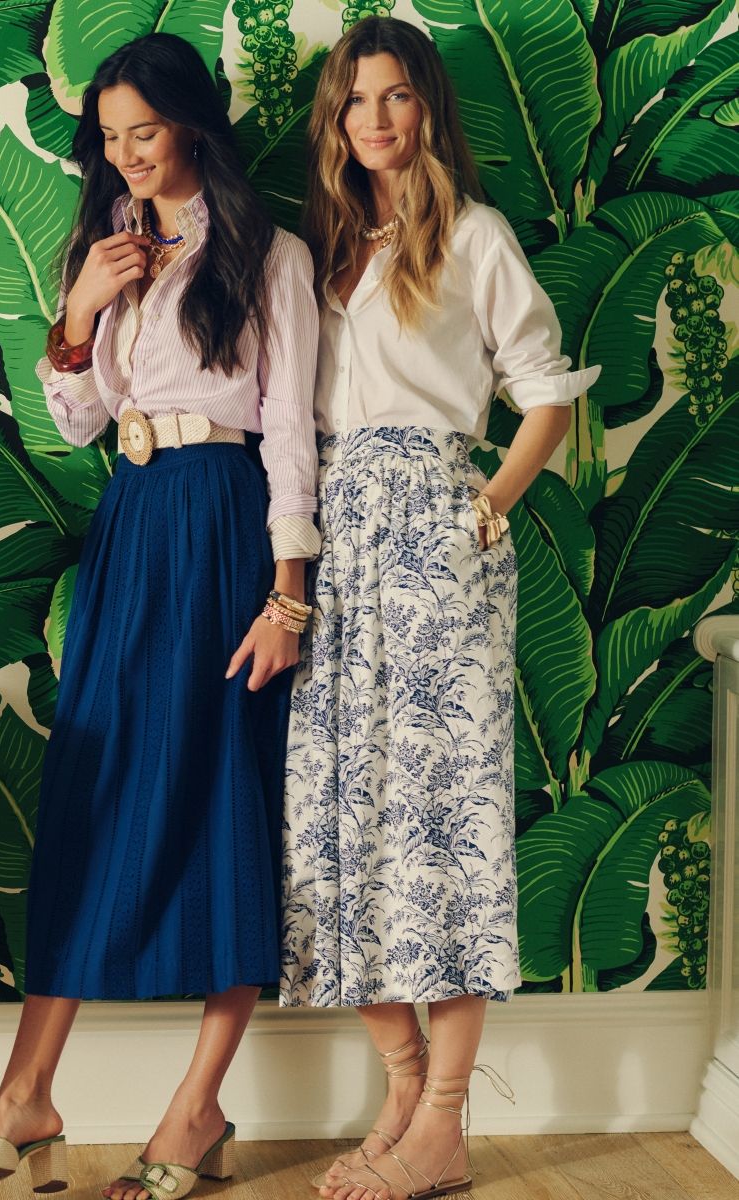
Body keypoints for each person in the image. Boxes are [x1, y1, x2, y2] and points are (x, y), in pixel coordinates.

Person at [0, 32, 320, 1200]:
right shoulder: (109, 248)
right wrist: (79, 307)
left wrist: (287, 597)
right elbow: (74, 422)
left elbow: (295, 435)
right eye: (108, 141)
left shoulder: (272, 253)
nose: (125, 157)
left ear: (192, 125)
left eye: (142, 133)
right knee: (90, 795)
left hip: (224, 523)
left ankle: (196, 1110)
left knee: (222, 797)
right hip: (131, 526)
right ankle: (27, 1094)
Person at [280, 16, 600, 1200]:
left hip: (434, 539)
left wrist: (489, 507)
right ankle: (404, 1088)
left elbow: (546, 395)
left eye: (397, 95)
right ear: (337, 121)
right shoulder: (328, 252)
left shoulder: (475, 236)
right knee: (338, 817)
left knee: (439, 824)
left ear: (429, 108)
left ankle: (451, 1116)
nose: (376, 118)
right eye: (356, 100)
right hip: (337, 553)